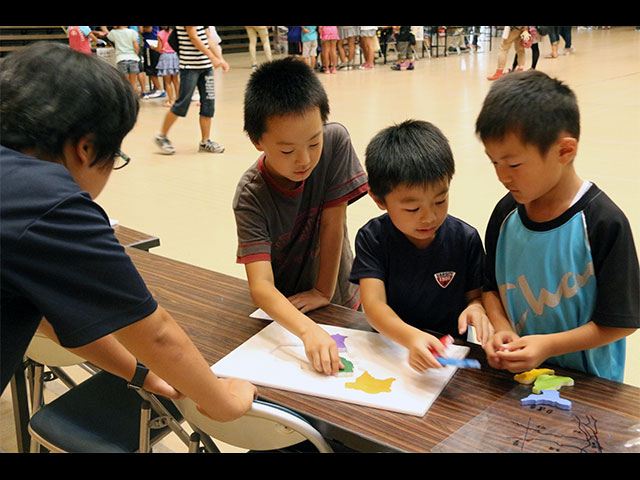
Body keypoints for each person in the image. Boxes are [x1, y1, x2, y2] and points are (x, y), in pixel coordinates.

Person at [0, 42, 257, 420]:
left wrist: (144, 374)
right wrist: (226, 401)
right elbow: (156, 334)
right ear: (86, 148)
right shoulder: (47, 201)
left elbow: (48, 316)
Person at [475, 70, 639, 382]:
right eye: (494, 162)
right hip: (522, 379)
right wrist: (502, 328)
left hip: (591, 386)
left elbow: (621, 321)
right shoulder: (506, 213)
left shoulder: (604, 224)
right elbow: (490, 289)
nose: (503, 177)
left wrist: (548, 345)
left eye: (514, 164)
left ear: (565, 151)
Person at [234, 58, 369, 376]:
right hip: (289, 311)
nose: (304, 160)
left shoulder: (335, 141)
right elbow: (262, 286)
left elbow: (332, 223)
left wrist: (324, 291)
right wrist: (306, 330)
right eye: (286, 150)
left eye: (313, 142)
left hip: (338, 293)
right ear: (257, 141)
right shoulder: (250, 196)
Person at [349, 120, 490, 373]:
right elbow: (374, 306)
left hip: (448, 355)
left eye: (440, 200)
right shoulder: (373, 238)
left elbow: (475, 298)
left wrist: (477, 309)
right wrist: (411, 338)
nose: (429, 217)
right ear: (380, 200)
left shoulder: (465, 239)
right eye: (412, 208)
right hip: (389, 350)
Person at [154, 26, 228, 155]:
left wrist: (219, 58)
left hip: (206, 67)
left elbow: (208, 38)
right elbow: (193, 37)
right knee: (182, 104)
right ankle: (162, 136)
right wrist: (212, 57)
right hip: (190, 67)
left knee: (208, 104)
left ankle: (205, 141)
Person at [106, 26, 141, 92]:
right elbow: (136, 46)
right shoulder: (132, 32)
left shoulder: (113, 32)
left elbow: (110, 39)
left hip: (121, 58)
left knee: (124, 82)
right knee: (133, 82)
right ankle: (134, 100)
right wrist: (135, 54)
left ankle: (127, 99)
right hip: (133, 58)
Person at [154, 26, 180, 107]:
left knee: (167, 81)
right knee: (176, 80)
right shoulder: (175, 32)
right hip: (174, 56)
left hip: (165, 57)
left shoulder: (160, 34)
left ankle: (171, 100)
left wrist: (153, 47)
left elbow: (159, 48)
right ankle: (178, 99)